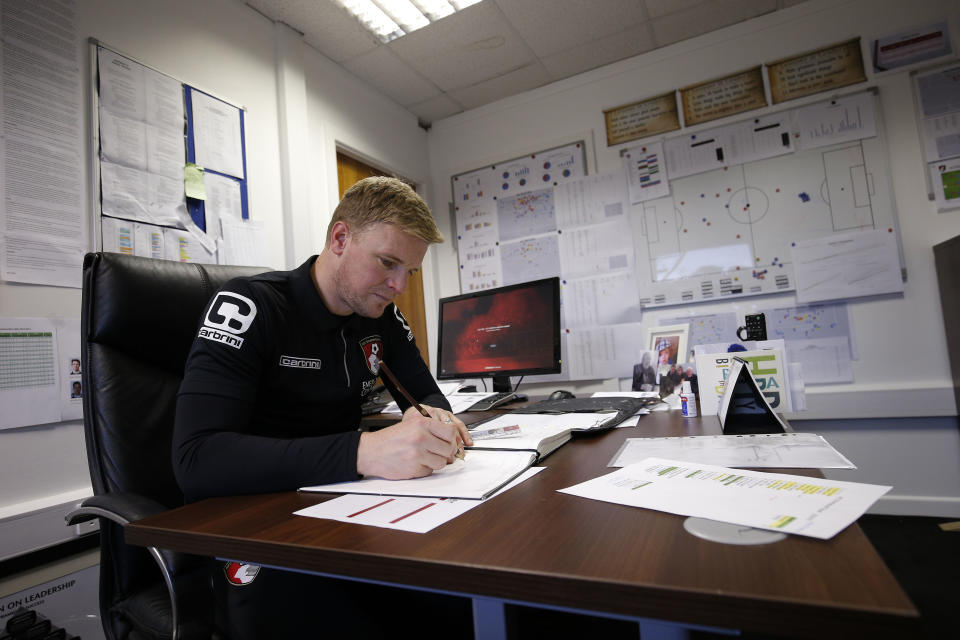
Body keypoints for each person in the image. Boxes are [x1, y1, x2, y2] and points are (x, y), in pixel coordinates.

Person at [173, 176, 474, 638]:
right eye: (388, 263)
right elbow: (196, 459)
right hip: (255, 526)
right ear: (340, 239)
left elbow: (426, 397)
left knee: (458, 586)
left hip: (344, 508)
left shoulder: (380, 316)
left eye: (408, 272)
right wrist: (364, 452)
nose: (398, 285)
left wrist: (436, 422)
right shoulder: (249, 306)